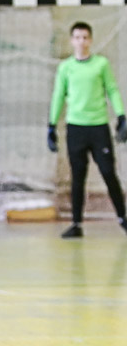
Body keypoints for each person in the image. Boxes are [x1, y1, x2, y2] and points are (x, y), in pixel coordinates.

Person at [48, 21, 127, 238]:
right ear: (72, 41)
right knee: (78, 176)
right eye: (77, 37)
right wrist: (51, 125)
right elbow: (58, 95)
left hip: (98, 127)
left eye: (85, 37)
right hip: (76, 128)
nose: (81, 41)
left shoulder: (101, 64)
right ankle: (76, 224)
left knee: (108, 172)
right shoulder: (66, 68)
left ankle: (123, 217)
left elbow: (112, 89)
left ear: (90, 40)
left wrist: (121, 116)